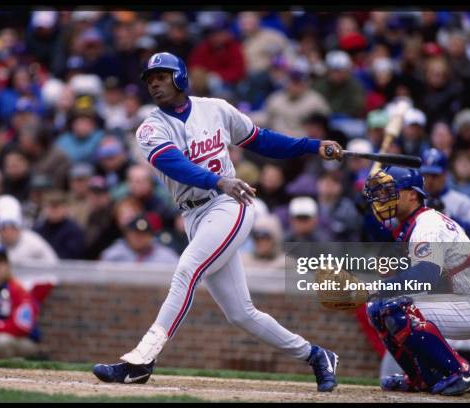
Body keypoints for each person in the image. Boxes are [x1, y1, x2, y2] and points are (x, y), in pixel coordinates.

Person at [92, 52, 344, 392]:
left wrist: (313, 146)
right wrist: (217, 180)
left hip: (230, 203)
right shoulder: (150, 127)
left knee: (187, 270)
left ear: (180, 77)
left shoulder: (216, 108)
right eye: (150, 79)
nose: (154, 83)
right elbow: (174, 165)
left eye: (162, 76)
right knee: (241, 313)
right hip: (197, 210)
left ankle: (142, 359)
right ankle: (316, 355)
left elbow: (262, 140)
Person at [362, 166, 470, 396]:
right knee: (376, 308)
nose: (383, 198)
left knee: (391, 306)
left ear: (412, 194)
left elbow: (425, 276)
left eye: (390, 191)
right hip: (461, 299)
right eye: (381, 193)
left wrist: (375, 288)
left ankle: (461, 372)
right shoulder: (412, 225)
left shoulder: (427, 224)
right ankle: (420, 378)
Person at [420, 148, 470, 242]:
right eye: (426, 174)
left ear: (445, 174)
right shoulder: (414, 200)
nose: (429, 180)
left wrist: (449, 218)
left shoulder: (462, 201)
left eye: (434, 175)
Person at [0, 195, 58, 265]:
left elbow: (53, 264)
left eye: (12, 227)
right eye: (3, 228)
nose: (8, 232)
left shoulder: (34, 242)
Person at [101, 215, 179, 263]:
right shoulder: (116, 253)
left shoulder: (164, 255)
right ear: (127, 234)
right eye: (135, 234)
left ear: (151, 236)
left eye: (143, 234)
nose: (139, 238)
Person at [34, 190, 86, 260]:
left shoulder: (74, 231)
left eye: (57, 206)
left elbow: (72, 255)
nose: (53, 210)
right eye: (50, 206)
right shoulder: (38, 230)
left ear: (65, 208)